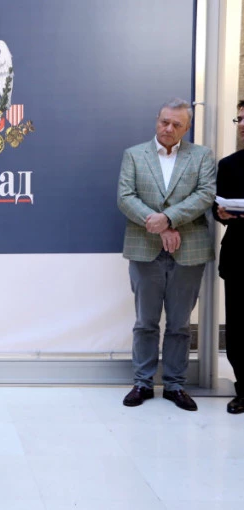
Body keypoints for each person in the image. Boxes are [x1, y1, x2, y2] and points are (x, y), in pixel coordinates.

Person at [117, 98, 216, 412]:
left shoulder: (202, 156)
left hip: (189, 251)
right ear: (156, 120)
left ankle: (175, 385)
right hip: (145, 248)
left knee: (180, 324)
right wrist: (160, 227)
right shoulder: (134, 155)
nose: (168, 128)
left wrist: (170, 219)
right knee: (145, 322)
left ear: (187, 128)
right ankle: (143, 383)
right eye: (164, 122)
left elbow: (205, 195)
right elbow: (125, 197)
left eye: (176, 124)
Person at [212, 100, 244, 415]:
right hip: (239, 257)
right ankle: (243, 389)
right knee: (238, 328)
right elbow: (217, 205)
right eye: (240, 119)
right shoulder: (229, 165)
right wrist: (220, 213)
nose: (243, 124)